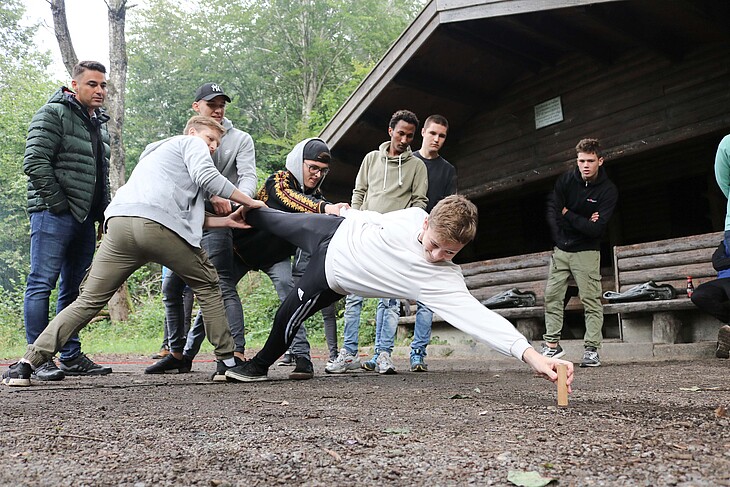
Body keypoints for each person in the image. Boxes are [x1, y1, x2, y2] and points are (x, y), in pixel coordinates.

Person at [2, 116, 264, 387]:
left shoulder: (154, 156)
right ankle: (228, 362)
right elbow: (207, 177)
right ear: (192, 131)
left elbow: (177, 211)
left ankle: (27, 364)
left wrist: (226, 221)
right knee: (209, 286)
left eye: (217, 144)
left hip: (120, 225)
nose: (212, 147)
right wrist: (249, 201)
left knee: (88, 301)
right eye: (210, 139)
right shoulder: (189, 143)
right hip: (159, 230)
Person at [222, 195, 575, 395]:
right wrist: (346, 212)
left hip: (330, 276)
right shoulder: (414, 216)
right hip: (335, 229)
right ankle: (216, 210)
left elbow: (481, 319)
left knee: (287, 314)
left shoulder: (442, 280)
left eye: (449, 252)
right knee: (266, 216)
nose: (437, 255)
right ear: (425, 225)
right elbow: (378, 219)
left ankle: (257, 366)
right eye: (435, 244)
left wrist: (532, 356)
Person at [166, 138, 346, 380]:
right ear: (298, 163)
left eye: (322, 171)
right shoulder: (279, 180)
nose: (316, 175)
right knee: (218, 297)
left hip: (275, 257)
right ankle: (188, 353)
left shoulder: (317, 197)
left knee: (291, 297)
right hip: (241, 250)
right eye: (312, 167)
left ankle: (302, 358)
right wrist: (326, 209)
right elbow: (290, 201)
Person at [148, 82, 256, 374]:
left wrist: (236, 204)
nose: (218, 109)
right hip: (182, 221)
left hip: (221, 221)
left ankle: (235, 353)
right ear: (197, 108)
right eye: (212, 105)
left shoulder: (240, 139)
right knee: (171, 288)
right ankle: (177, 353)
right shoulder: (186, 137)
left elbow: (248, 178)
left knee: (220, 283)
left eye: (222, 104)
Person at [22, 61, 114, 381]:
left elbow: (100, 174)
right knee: (41, 284)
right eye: (92, 84)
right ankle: (37, 357)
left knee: (75, 291)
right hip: (53, 215)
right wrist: (59, 205)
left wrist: (104, 212)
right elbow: (34, 162)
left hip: (86, 219)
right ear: (74, 85)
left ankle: (71, 355)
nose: (100, 90)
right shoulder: (53, 113)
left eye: (103, 85)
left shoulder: (98, 123)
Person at [327, 109, 428, 375]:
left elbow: (419, 202)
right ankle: (348, 354)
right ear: (390, 131)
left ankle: (383, 354)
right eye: (401, 133)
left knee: (390, 300)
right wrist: (352, 222)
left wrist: (408, 231)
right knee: (353, 296)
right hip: (364, 233)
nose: (405, 139)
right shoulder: (371, 159)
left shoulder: (417, 166)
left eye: (410, 135)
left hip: (393, 237)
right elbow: (359, 192)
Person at [541, 138, 618, 367]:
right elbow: (556, 214)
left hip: (587, 251)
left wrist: (570, 214)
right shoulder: (566, 181)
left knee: (591, 300)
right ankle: (552, 346)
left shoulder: (607, 190)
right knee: (552, 297)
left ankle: (592, 350)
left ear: (600, 161)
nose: (585, 165)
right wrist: (581, 219)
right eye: (581, 160)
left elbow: (595, 228)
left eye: (590, 161)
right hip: (561, 249)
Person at [408, 114, 457, 372]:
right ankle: (382, 354)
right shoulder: (408, 161)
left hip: (433, 237)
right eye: (433, 133)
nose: (437, 139)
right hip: (406, 233)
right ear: (424, 132)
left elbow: (449, 206)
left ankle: (418, 353)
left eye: (442, 136)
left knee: (427, 298)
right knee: (390, 299)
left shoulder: (447, 170)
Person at [689, 241, 730, 359]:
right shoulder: (726, 242)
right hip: (722, 280)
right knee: (699, 296)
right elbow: (717, 263)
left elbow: (722, 262)